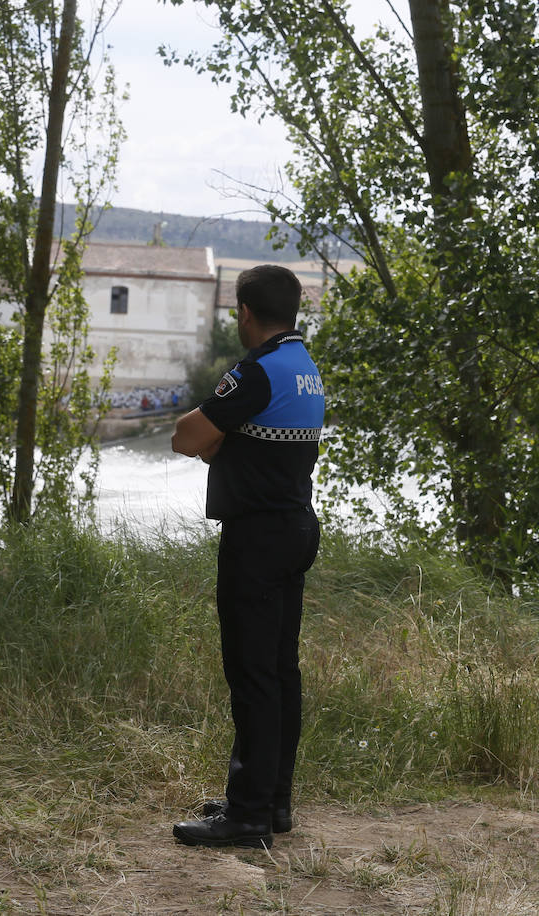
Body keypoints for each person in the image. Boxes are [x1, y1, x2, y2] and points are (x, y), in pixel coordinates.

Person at [169, 265, 324, 848]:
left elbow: (187, 437)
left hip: (256, 538)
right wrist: (230, 439)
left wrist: (221, 439)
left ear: (245, 313)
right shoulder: (305, 369)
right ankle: (272, 800)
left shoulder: (257, 371)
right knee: (281, 672)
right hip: (294, 529)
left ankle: (247, 814)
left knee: (253, 674)